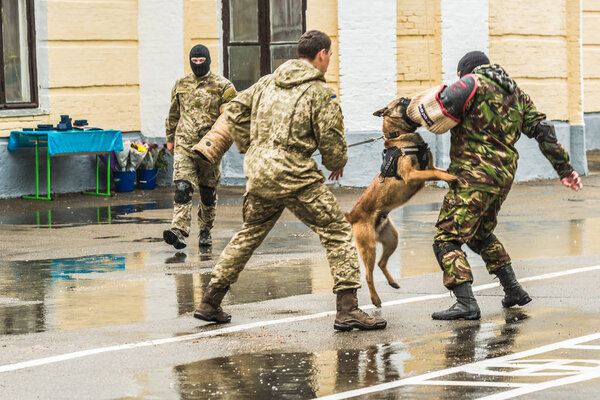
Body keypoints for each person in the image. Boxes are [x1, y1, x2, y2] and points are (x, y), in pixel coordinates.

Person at [192, 30, 387, 331]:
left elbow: (232, 111)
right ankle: (347, 309)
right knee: (336, 230)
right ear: (322, 54)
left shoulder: (266, 82)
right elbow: (332, 143)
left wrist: (250, 145)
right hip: (296, 175)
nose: (329, 62)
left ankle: (210, 301)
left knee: (249, 233)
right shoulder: (320, 92)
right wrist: (337, 163)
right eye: (330, 56)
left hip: (258, 172)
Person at [398, 51, 583, 320]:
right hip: (503, 177)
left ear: (466, 72)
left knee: (446, 239)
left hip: (473, 175)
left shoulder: (470, 83)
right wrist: (565, 170)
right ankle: (514, 290)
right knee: (478, 234)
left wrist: (405, 115)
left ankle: (466, 303)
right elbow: (543, 130)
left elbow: (438, 107)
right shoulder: (517, 94)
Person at [163, 44, 237, 249]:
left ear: (208, 61)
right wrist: (170, 138)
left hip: (209, 148)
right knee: (182, 188)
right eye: (194, 61)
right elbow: (173, 114)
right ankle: (178, 230)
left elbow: (234, 115)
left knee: (207, 192)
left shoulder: (223, 86)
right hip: (185, 145)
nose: (197, 65)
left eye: (201, 61)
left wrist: (228, 140)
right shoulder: (181, 84)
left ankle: (205, 231)